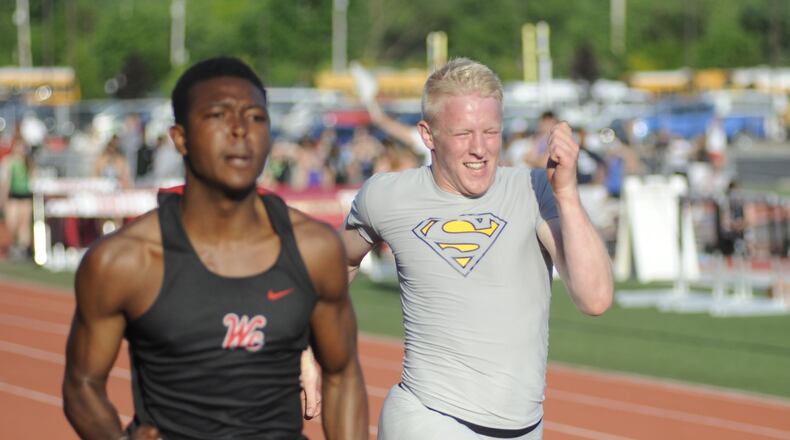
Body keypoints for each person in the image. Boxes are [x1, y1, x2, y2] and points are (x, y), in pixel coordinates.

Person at [62, 56, 368, 440]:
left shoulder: (315, 248)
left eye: (256, 117)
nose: (240, 130)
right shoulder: (123, 261)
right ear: (180, 138)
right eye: (219, 116)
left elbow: (343, 373)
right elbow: (82, 384)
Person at [341, 58, 613, 439]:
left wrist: (566, 193)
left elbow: (595, 298)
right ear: (428, 134)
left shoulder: (535, 189)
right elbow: (337, 265)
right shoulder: (386, 196)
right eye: (463, 133)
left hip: (523, 427)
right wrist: (305, 340)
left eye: (491, 131)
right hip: (427, 417)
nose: (480, 149)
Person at [0, 135, 34, 260]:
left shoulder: (28, 162)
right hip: (13, 196)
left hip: (25, 196)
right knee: (12, 224)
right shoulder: (9, 161)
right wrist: (3, 199)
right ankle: (14, 245)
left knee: (24, 224)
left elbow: (33, 179)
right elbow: (5, 182)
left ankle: (22, 249)